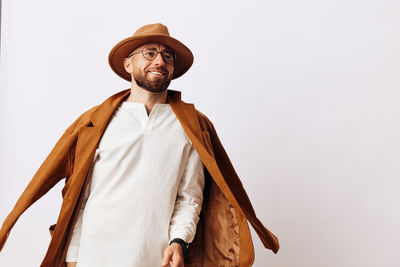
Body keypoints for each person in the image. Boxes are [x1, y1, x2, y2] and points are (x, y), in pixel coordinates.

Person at [0, 23, 279, 267]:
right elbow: (79, 199)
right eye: (150, 53)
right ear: (128, 64)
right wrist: (74, 257)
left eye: (167, 56)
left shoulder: (190, 126)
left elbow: (189, 198)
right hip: (94, 258)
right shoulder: (96, 123)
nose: (160, 60)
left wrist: (178, 242)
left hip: (154, 258)